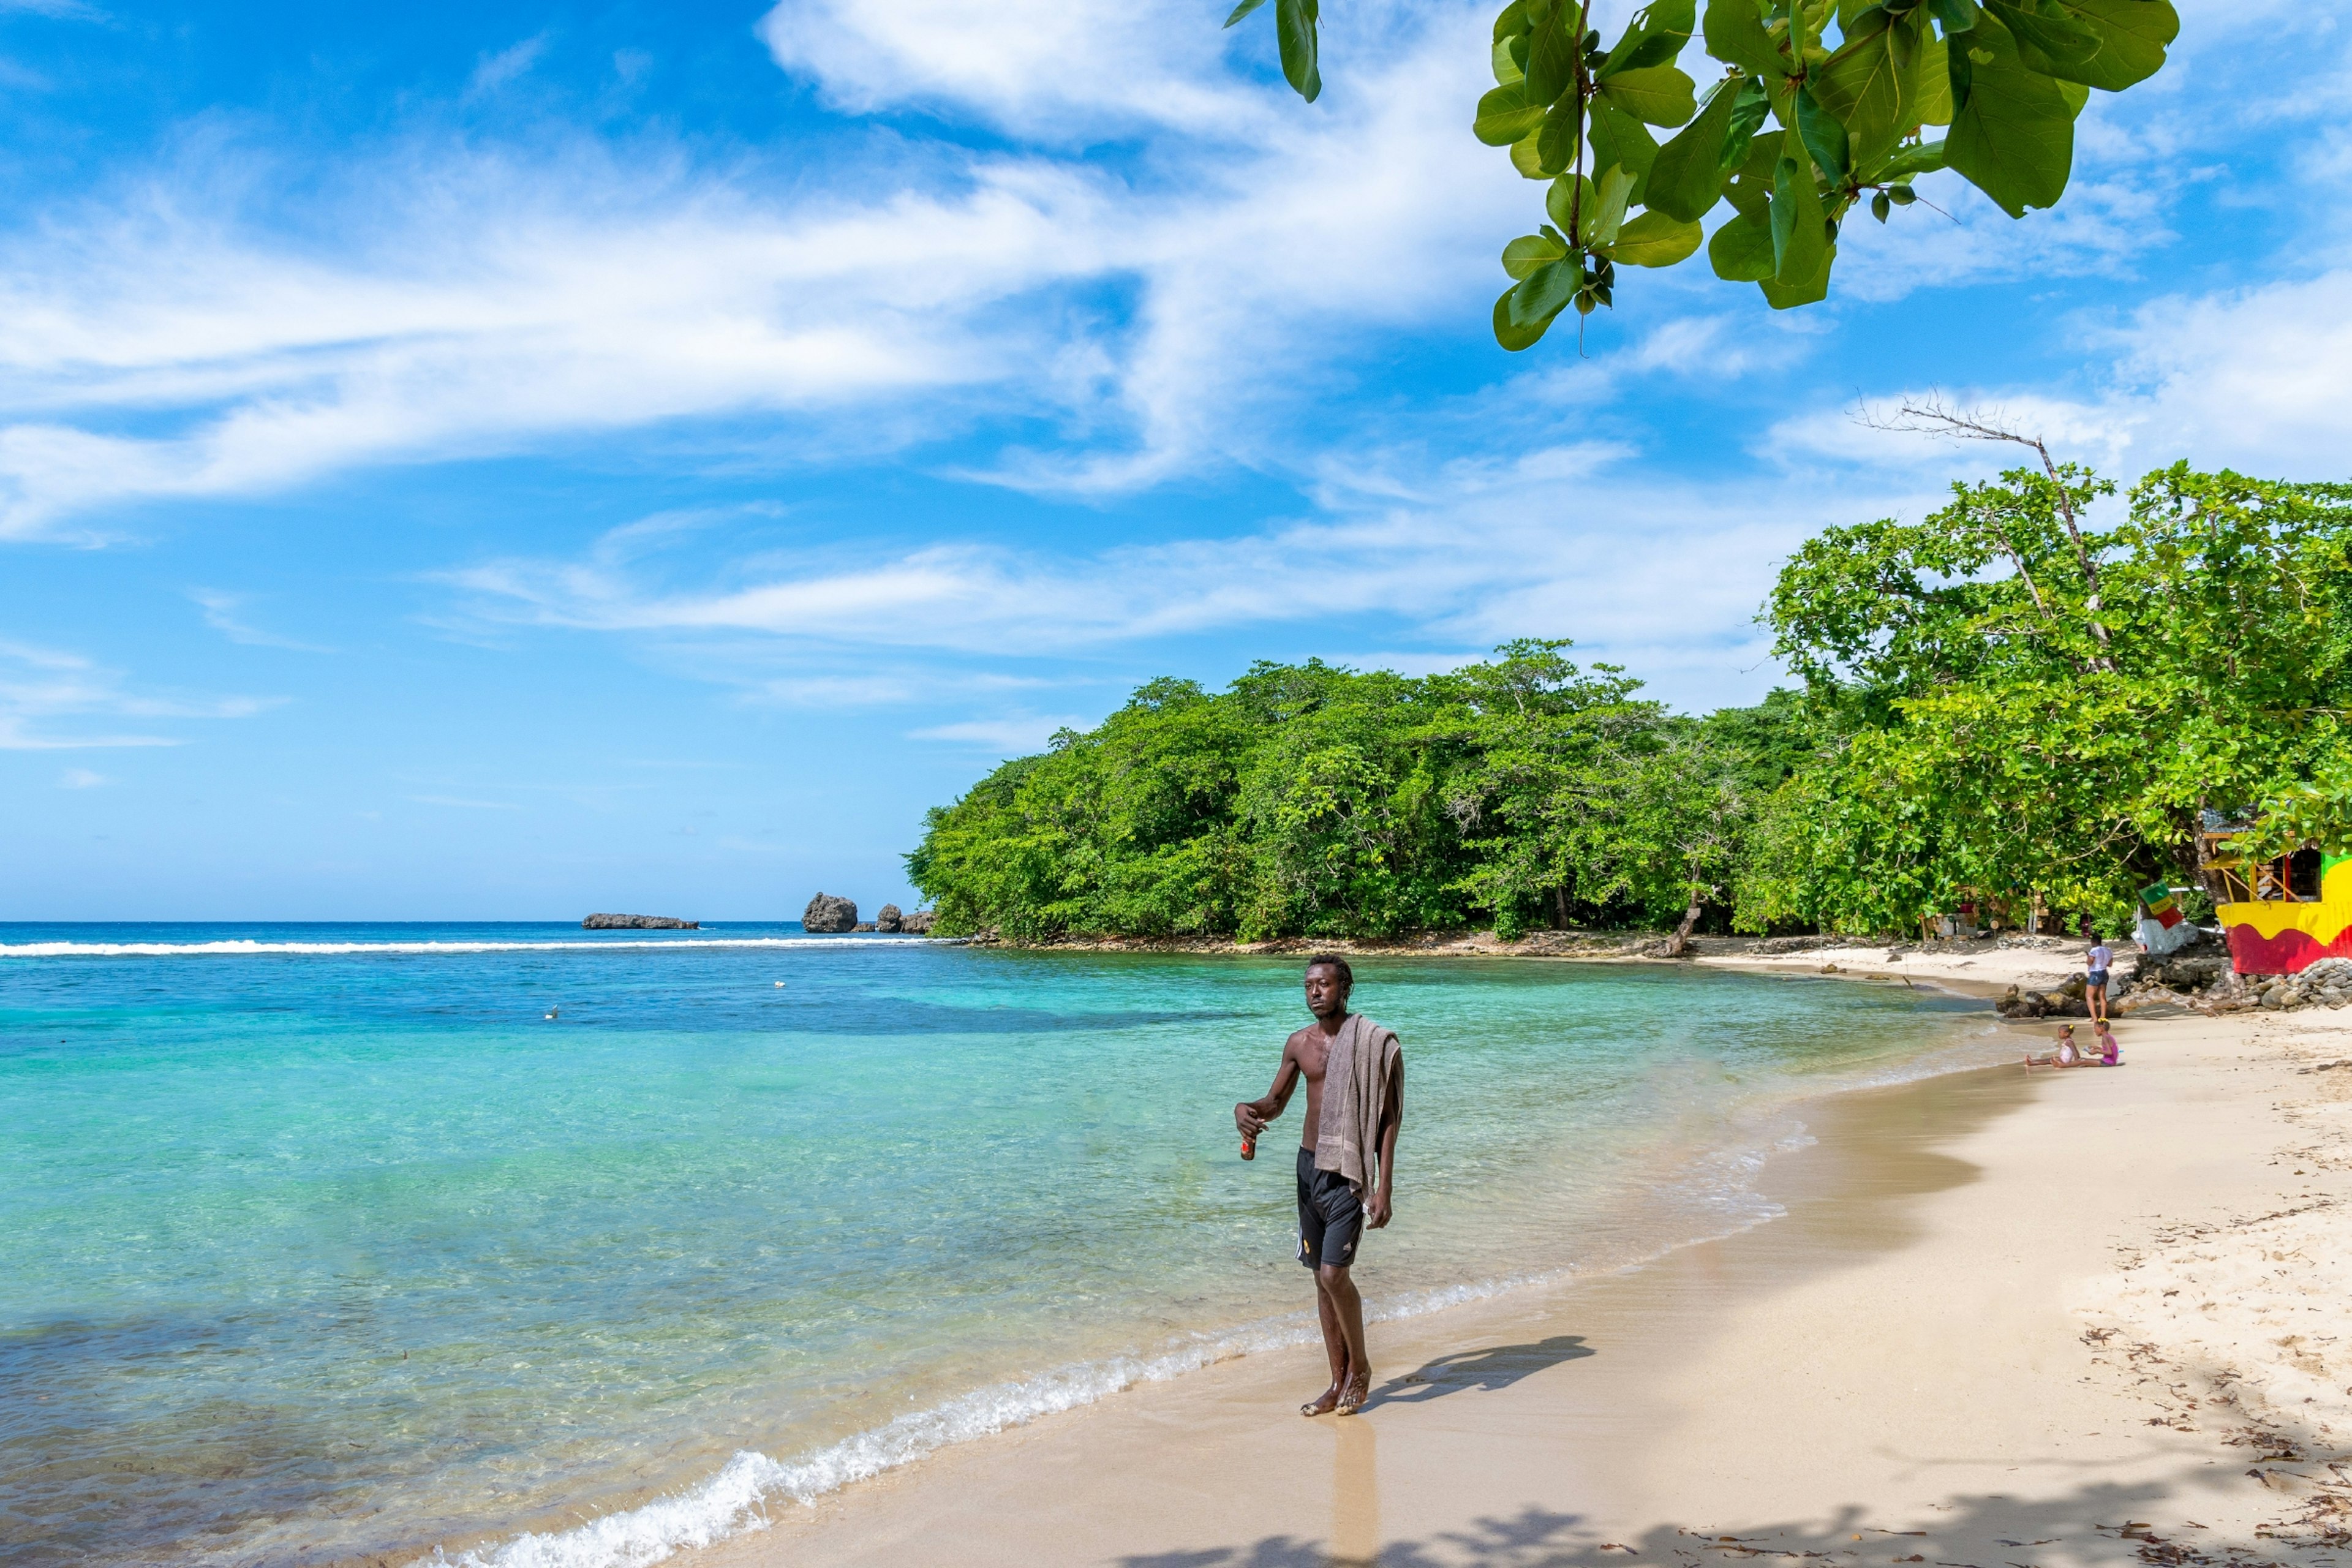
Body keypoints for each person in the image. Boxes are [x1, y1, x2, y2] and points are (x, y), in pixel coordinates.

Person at [1234, 956, 1403, 1419]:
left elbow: (1388, 1121)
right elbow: (1275, 1103)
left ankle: (1361, 1368)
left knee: (1334, 1275)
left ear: (1345, 989)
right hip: (1308, 1170)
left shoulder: (1373, 1044)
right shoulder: (1298, 1044)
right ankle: (1336, 1381)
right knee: (1318, 1277)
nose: (1315, 993)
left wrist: (1384, 1186)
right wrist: (1245, 1110)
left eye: (1324, 984)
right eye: (1309, 985)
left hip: (1346, 1173)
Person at [2084, 933, 2115, 1023]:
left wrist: (2088, 957)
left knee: (2089, 996)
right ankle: (2103, 1016)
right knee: (2102, 996)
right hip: (2104, 973)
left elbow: (2090, 963)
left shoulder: (2094, 950)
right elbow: (2110, 964)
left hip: (2095, 973)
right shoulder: (2108, 950)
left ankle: (2094, 1018)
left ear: (2093, 942)